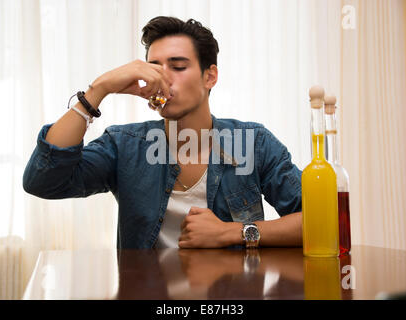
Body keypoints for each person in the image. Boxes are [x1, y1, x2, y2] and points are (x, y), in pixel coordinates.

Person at [23, 16, 303, 249]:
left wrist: (232, 233)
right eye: (153, 68)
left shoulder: (252, 143)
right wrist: (99, 89)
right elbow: (43, 181)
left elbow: (320, 221)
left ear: (210, 76)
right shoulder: (125, 145)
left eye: (178, 67)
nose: (163, 78)